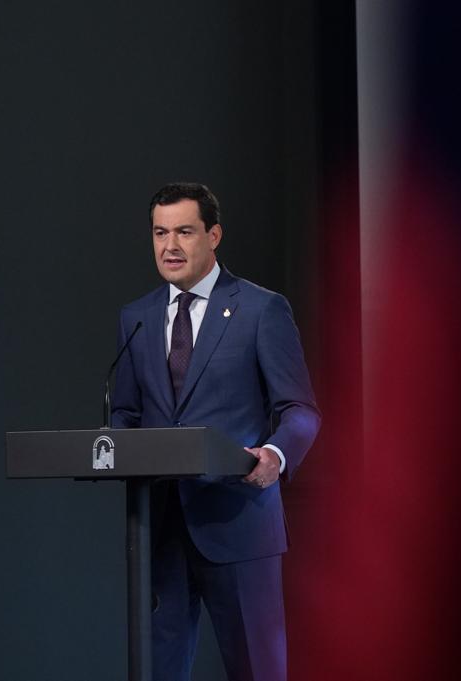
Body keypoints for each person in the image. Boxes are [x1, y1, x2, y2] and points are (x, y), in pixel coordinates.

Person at [110, 182, 320, 681]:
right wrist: (114, 445)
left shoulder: (260, 309)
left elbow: (300, 410)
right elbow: (125, 414)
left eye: (184, 231)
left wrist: (274, 455)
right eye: (160, 233)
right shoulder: (135, 319)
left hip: (239, 524)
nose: (170, 246)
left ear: (214, 235)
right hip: (160, 531)